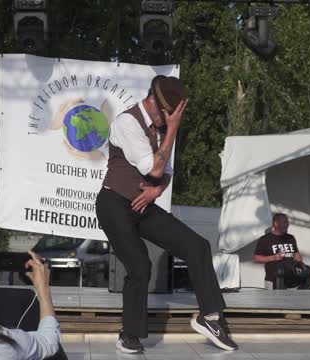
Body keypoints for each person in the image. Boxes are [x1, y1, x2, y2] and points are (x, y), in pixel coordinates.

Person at [95, 75, 237, 353]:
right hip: (113, 203)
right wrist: (172, 130)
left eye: (171, 118)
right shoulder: (127, 122)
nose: (168, 121)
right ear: (152, 103)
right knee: (139, 265)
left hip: (142, 205)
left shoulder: (160, 128)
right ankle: (129, 334)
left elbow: (166, 175)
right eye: (167, 116)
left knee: (198, 246)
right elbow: (154, 169)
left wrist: (155, 193)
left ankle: (210, 317)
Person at [253, 213, 310, 290]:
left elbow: (297, 255)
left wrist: (301, 265)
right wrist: (273, 257)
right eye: (284, 222)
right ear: (275, 223)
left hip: (292, 280)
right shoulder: (265, 239)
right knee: (275, 302)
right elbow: (256, 258)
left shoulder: (291, 238)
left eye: (287, 222)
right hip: (273, 280)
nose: (287, 224)